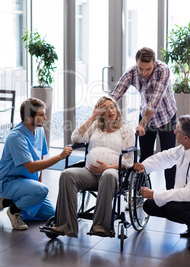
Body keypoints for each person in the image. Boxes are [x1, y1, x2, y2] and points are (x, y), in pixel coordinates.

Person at [134, 115, 190, 250]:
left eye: (177, 130)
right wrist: (144, 165)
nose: (174, 132)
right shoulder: (186, 148)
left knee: (174, 208)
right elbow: (166, 157)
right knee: (149, 206)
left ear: (186, 138)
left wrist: (155, 194)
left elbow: (187, 194)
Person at [49, 96, 135, 237]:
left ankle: (100, 225)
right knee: (67, 174)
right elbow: (75, 138)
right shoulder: (95, 126)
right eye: (105, 108)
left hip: (113, 174)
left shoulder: (125, 130)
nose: (110, 111)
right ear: (99, 112)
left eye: (112, 107)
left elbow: (128, 161)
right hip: (90, 173)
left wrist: (108, 167)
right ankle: (65, 225)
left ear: (117, 109)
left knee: (108, 175)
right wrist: (92, 117)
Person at [0, 97, 73, 231]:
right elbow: (31, 166)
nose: (45, 118)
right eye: (41, 115)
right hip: (7, 182)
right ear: (29, 118)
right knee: (42, 190)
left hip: (26, 182)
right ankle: (13, 210)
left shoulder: (39, 130)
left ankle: (5, 201)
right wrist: (60, 156)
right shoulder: (16, 137)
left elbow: (40, 157)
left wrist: (38, 183)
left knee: (50, 214)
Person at [111, 47, 177, 189]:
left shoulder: (163, 70)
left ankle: (172, 196)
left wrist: (142, 124)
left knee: (169, 157)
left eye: (148, 69)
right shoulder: (131, 72)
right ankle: (139, 193)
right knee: (145, 156)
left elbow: (154, 102)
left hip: (167, 116)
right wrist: (102, 109)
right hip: (146, 115)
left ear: (154, 63)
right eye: (141, 69)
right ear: (137, 64)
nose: (144, 73)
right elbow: (115, 94)